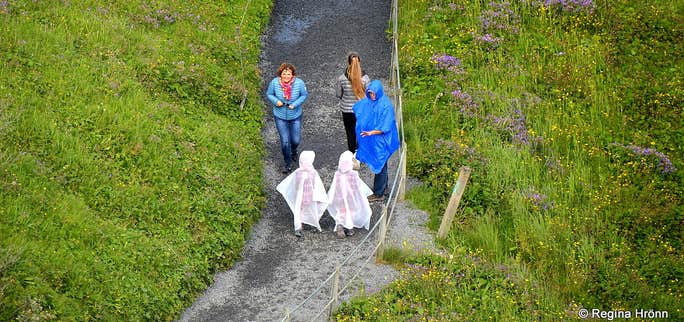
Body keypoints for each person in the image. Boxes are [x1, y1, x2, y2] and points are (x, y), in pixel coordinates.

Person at [353, 80, 400, 202]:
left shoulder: (386, 106)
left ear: (378, 92)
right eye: (370, 93)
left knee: (380, 164)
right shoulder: (371, 101)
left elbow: (385, 127)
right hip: (375, 140)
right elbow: (362, 106)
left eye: (373, 94)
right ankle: (383, 187)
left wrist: (370, 132)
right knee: (382, 165)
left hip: (383, 141)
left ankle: (379, 193)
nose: (372, 96)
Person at [267, 63, 308, 173]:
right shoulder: (274, 83)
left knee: (295, 140)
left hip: (295, 115)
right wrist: (276, 101)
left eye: (288, 74)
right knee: (285, 142)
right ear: (280, 75)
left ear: (292, 75)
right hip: (280, 116)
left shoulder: (299, 83)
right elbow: (269, 94)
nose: (286, 76)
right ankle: (287, 163)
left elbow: (304, 95)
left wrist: (294, 104)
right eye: (284, 74)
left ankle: (294, 151)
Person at [276, 151, 328, 237]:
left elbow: (295, 184)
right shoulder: (313, 172)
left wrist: (296, 192)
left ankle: (299, 227)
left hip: (300, 196)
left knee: (299, 210)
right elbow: (317, 185)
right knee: (312, 209)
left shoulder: (298, 172)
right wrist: (319, 195)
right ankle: (313, 223)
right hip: (310, 195)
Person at [327, 151, 373, 238]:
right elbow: (358, 186)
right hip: (351, 197)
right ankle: (349, 227)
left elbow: (334, 186)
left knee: (341, 211)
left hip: (340, 197)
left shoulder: (337, 174)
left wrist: (331, 196)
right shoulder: (353, 174)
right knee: (351, 210)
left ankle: (340, 225)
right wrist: (361, 195)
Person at [336, 52, 370, 154]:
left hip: (346, 110)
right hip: (361, 110)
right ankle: (360, 152)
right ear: (359, 62)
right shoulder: (365, 78)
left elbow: (338, 94)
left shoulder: (342, 78)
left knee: (350, 132)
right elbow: (369, 94)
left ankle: (351, 153)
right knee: (361, 131)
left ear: (348, 63)